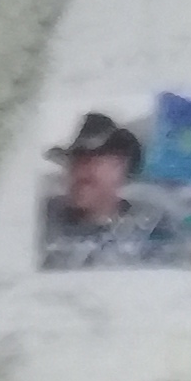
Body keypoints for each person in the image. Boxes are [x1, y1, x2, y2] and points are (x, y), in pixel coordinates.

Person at [39, 111, 167, 270]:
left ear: (119, 167)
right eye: (73, 162)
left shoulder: (149, 228)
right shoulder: (42, 223)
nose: (79, 171)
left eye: (90, 161)